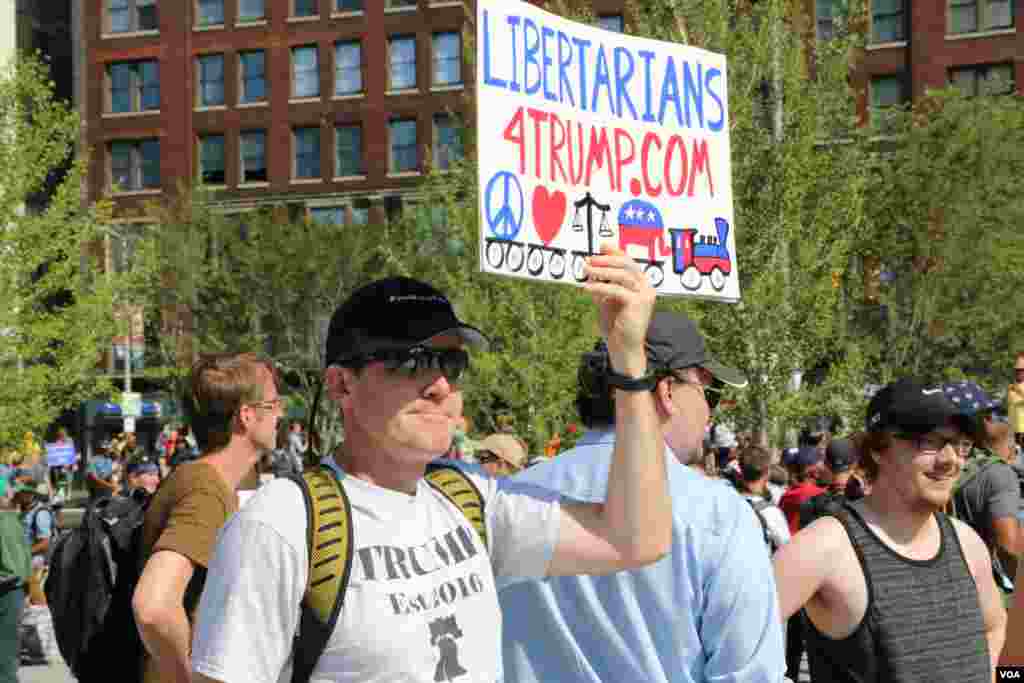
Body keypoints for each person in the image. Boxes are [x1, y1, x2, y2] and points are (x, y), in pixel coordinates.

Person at [191, 251, 673, 683]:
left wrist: (628, 361)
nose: (441, 386)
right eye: (410, 361)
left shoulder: (468, 498)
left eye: (451, 363)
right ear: (341, 386)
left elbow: (636, 540)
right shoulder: (280, 525)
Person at [499, 311, 785, 683]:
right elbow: (750, 676)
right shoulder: (719, 514)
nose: (710, 415)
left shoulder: (512, 496)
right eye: (710, 392)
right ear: (668, 392)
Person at [773, 378, 1005, 681]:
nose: (950, 460)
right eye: (929, 441)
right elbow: (726, 646)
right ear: (879, 449)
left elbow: (996, 626)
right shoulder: (825, 547)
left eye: (962, 444)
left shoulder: (968, 544)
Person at [132, 352, 282, 683]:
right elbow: (153, 607)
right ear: (246, 416)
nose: (281, 413)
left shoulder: (211, 481)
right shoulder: (205, 490)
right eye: (272, 405)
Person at [946, 381, 1021, 594]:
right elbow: (1008, 548)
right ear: (983, 420)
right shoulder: (996, 474)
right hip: (976, 589)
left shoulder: (926, 466)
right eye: (989, 413)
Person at [0, 477, 30, 683]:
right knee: (7, 653)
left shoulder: (11, 520)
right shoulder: (10, 521)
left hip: (10, 590)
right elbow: (18, 566)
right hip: (11, 591)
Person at [736, 444, 790, 553]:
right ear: (767, 473)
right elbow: (786, 549)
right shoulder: (771, 513)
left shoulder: (727, 504)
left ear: (740, 472)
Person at [1008, 352, 1024, 450]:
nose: (1018, 372)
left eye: (1021, 370)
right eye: (1017, 370)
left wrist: (1019, 390)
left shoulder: (1015, 387)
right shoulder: (1011, 386)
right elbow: (1011, 404)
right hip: (1012, 428)